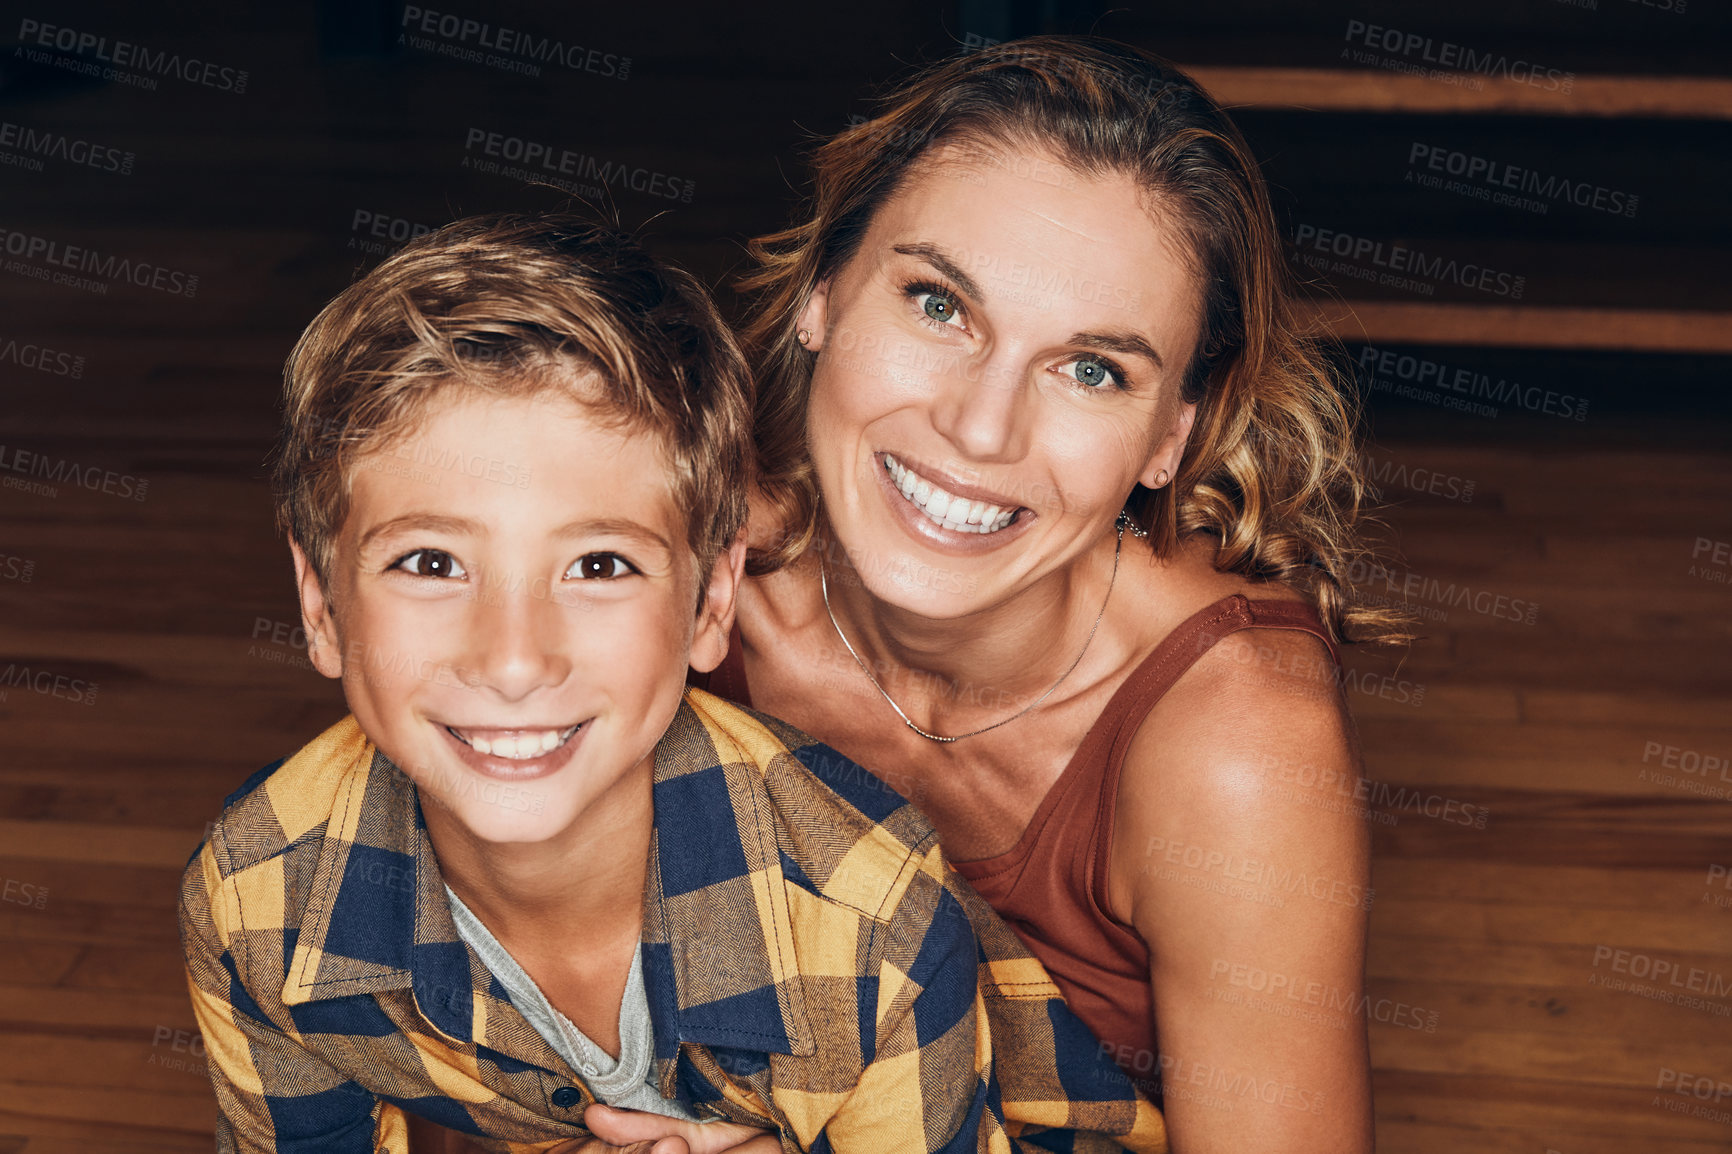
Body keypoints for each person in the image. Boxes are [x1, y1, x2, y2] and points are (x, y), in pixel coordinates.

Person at [177, 214, 1167, 1153]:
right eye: (431, 562)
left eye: (600, 565)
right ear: (319, 604)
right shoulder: (260, 897)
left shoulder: (867, 918)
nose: (514, 659)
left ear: (709, 604)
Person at [686, 35, 1411, 1154]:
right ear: (822, 294)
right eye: (937, 304)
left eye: (1091, 369)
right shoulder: (670, 566)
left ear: (1172, 435)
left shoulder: (1233, 740)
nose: (980, 428)